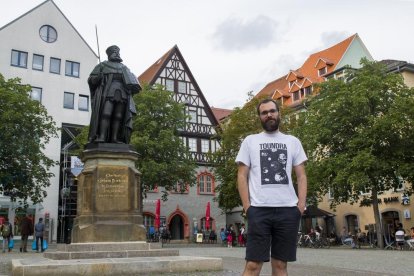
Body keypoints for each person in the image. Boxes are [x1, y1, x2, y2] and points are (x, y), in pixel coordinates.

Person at [236, 98, 307, 276]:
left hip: (288, 210)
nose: (269, 115)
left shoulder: (293, 141)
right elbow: (242, 175)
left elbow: (302, 175)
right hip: (259, 210)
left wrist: (300, 206)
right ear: (259, 117)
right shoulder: (250, 141)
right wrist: (247, 207)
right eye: (264, 112)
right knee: (253, 265)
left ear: (278, 113)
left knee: (280, 265)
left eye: (272, 111)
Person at [88, 45, 141, 144]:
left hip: (123, 93)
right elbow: (91, 80)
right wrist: (98, 78)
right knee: (106, 114)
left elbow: (132, 81)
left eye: (118, 52)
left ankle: (115, 138)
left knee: (118, 116)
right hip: (108, 92)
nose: (117, 54)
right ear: (109, 54)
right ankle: (102, 136)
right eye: (114, 52)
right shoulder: (102, 65)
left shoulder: (124, 67)